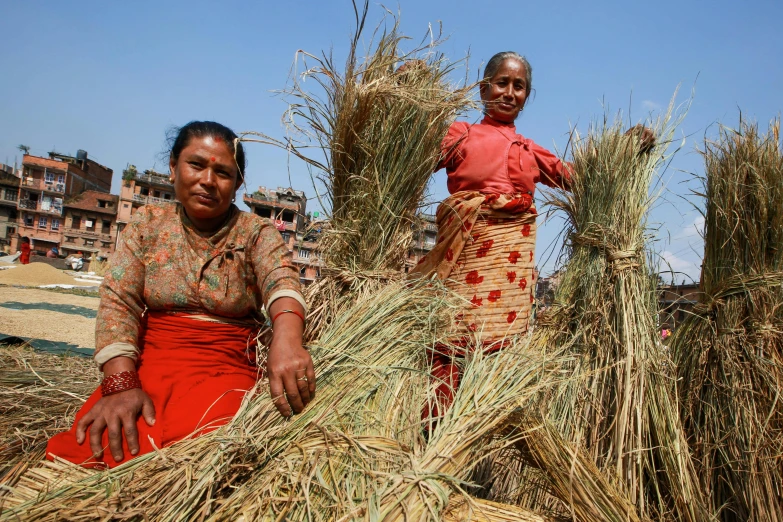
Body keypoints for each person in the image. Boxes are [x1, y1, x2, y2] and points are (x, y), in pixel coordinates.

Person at [47, 121, 316, 468]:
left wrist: (288, 341)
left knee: (209, 446)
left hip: (228, 366)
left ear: (236, 185)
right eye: (197, 164)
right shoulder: (148, 224)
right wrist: (121, 383)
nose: (208, 180)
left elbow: (282, 283)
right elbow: (119, 300)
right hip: (151, 363)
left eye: (223, 172)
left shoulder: (256, 232)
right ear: (173, 167)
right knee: (99, 442)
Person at [411, 52, 652, 421]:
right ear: (483, 89)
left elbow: (579, 178)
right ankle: (432, 432)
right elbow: (415, 151)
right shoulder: (461, 134)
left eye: (519, 86)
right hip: (466, 263)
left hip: (508, 274)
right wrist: (410, 91)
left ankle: (476, 431)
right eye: (502, 83)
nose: (510, 92)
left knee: (496, 361)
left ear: (527, 95)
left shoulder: (529, 149)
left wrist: (623, 149)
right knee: (449, 347)